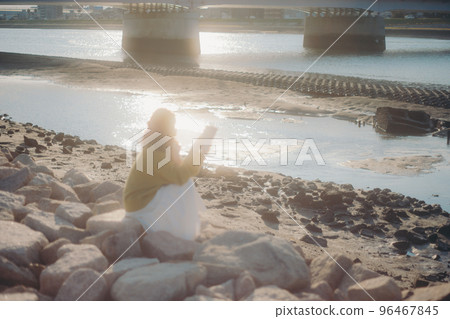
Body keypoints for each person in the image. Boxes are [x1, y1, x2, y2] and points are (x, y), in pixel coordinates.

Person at [124, 108, 215, 241]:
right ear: (165, 127)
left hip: (138, 201)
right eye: (172, 125)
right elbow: (181, 176)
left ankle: (184, 227)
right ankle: (184, 233)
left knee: (182, 184)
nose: (175, 129)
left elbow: (178, 170)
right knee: (185, 184)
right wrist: (202, 144)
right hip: (139, 205)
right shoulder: (154, 153)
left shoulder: (156, 147)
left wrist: (175, 149)